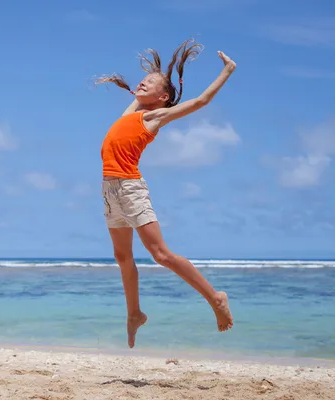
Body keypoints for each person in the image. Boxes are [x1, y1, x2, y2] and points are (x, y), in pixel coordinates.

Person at [96, 38, 235, 348]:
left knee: (160, 255)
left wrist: (227, 71)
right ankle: (134, 314)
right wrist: (155, 73)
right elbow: (142, 90)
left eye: (150, 85)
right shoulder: (130, 114)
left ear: (162, 98)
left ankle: (216, 297)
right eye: (142, 82)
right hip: (109, 192)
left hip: (130, 189)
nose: (141, 84)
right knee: (122, 257)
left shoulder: (153, 118)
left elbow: (200, 102)